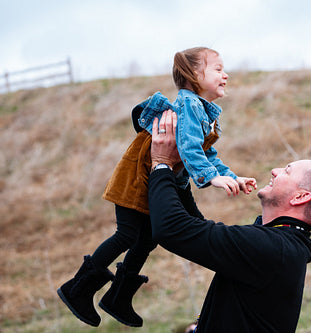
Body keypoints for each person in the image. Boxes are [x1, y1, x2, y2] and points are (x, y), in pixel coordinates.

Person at [57, 47, 257, 327]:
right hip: (135, 178)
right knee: (127, 234)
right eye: (218, 69)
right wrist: (211, 178)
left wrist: (231, 176)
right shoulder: (189, 105)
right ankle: (76, 289)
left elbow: (207, 154)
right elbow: (188, 147)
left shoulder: (201, 110)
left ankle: (118, 297)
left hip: (153, 181)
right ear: (194, 75)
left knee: (147, 238)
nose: (226, 75)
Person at [148, 111, 311, 332]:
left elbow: (172, 229)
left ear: (300, 197)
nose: (275, 171)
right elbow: (196, 230)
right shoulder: (281, 246)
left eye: (287, 170)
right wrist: (179, 173)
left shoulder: (274, 249)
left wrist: (162, 164)